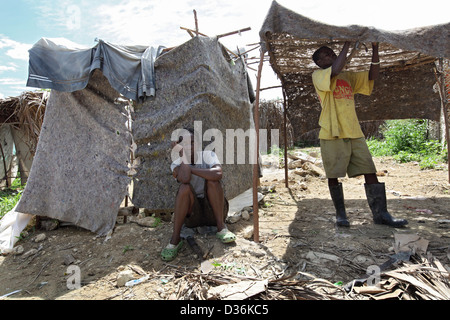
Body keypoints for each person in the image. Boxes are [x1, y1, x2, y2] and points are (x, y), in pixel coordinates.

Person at [311, 41, 408, 228]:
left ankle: (381, 215)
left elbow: (373, 75)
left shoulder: (348, 76)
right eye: (325, 54)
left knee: (370, 171)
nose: (330, 54)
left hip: (354, 131)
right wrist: (348, 45)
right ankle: (341, 215)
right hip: (332, 132)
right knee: (333, 174)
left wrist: (375, 49)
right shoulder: (319, 75)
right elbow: (336, 69)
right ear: (319, 63)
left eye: (331, 52)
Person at [161, 128, 236, 261]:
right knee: (184, 188)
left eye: (192, 142)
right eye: (184, 144)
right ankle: (175, 239)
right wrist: (183, 156)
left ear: (198, 143)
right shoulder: (176, 163)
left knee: (213, 182)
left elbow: (218, 174)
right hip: (193, 215)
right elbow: (184, 178)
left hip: (213, 211)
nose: (189, 146)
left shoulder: (208, 155)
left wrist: (191, 169)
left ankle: (221, 227)